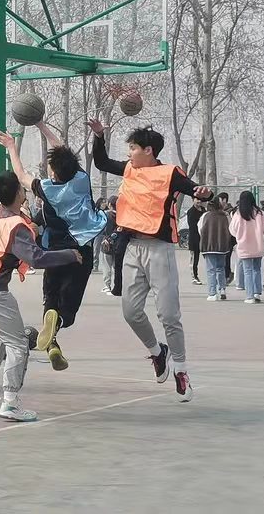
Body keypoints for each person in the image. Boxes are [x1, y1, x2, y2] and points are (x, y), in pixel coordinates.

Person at [88, 120, 212, 403]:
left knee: (169, 315)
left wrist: (204, 193)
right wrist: (99, 136)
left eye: (133, 148)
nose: (129, 153)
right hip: (132, 248)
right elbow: (102, 162)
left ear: (148, 150)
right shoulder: (129, 169)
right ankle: (158, 352)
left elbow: (195, 189)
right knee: (130, 312)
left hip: (159, 250)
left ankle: (180, 369)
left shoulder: (169, 174)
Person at [0, 171, 82, 422]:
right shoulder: (15, 227)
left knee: (2, 331)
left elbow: (23, 224)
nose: (25, 190)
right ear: (16, 193)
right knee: (19, 344)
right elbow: (36, 258)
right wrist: (69, 254)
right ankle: (10, 402)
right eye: (22, 188)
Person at [0, 121, 106, 372]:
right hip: (82, 250)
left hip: (54, 252)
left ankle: (52, 338)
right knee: (69, 308)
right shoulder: (82, 180)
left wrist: (11, 146)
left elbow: (21, 175)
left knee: (51, 297)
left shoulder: (47, 189)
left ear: (53, 173)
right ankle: (56, 330)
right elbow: (62, 150)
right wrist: (41, 124)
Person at [228, 191, 264, 304]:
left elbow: (232, 230)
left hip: (244, 246)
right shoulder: (260, 213)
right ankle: (257, 293)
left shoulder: (238, 214)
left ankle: (249, 296)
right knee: (257, 269)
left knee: (247, 271)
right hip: (258, 245)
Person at [198, 198, 232, 301]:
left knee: (211, 269)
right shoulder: (225, 216)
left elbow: (200, 229)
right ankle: (222, 289)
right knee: (221, 268)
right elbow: (230, 229)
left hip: (209, 245)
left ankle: (212, 293)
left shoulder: (205, 216)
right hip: (222, 246)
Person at [100, 196, 118, 294]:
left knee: (107, 266)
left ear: (110, 204)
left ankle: (107, 285)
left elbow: (102, 228)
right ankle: (117, 285)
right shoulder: (122, 216)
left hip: (106, 243)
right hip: (118, 243)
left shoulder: (106, 215)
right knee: (116, 266)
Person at [217, 192, 235, 283]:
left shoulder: (229, 212)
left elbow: (232, 226)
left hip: (228, 239)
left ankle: (226, 276)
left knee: (226, 258)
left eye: (220, 199)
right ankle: (226, 275)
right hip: (221, 239)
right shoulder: (218, 211)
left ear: (224, 200)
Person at [186, 198, 205, 285]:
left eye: (200, 200)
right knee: (194, 259)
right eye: (197, 199)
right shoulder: (191, 212)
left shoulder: (204, 210)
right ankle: (194, 277)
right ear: (193, 200)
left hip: (204, 239)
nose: (199, 201)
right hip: (194, 238)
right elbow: (192, 226)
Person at [92, 197, 108, 273]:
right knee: (96, 250)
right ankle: (95, 266)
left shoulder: (107, 212)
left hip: (105, 234)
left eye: (105, 202)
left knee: (105, 250)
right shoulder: (96, 212)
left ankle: (106, 267)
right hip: (98, 234)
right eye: (102, 202)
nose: (104, 204)